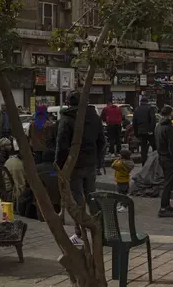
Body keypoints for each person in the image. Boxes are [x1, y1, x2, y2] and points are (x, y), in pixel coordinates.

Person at [55, 91, 106, 246]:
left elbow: (62, 145)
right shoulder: (94, 117)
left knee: (77, 200)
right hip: (90, 164)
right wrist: (98, 161)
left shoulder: (67, 119)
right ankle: (101, 231)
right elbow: (102, 142)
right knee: (92, 197)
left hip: (74, 165)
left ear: (69, 103)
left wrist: (59, 165)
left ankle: (79, 234)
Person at [155, 105, 173, 218]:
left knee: (167, 182)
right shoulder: (169, 127)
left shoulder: (158, 126)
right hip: (169, 159)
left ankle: (166, 205)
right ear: (170, 114)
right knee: (168, 184)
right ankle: (163, 207)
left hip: (162, 157)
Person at [132, 97, 156, 166]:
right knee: (154, 147)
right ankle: (155, 162)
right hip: (149, 131)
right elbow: (153, 120)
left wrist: (136, 133)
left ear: (141, 102)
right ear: (147, 102)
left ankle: (144, 163)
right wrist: (151, 130)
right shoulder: (150, 108)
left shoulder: (137, 109)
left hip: (141, 132)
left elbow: (134, 122)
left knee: (143, 148)